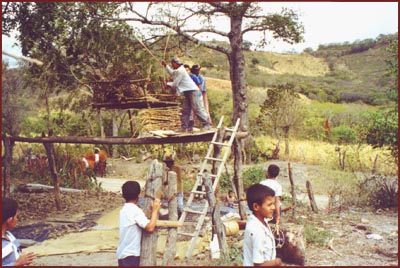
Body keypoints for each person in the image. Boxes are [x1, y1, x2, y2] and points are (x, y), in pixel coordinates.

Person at [116, 181, 161, 266]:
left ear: (123, 195)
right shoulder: (135, 211)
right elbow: (150, 227)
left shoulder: (123, 210)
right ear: (139, 194)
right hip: (131, 255)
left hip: (122, 253)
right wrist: (155, 210)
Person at [161, 56, 211, 132]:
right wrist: (166, 66)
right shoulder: (178, 70)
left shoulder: (180, 71)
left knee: (197, 108)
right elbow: (172, 73)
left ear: (175, 63)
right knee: (185, 110)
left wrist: (170, 87)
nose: (172, 65)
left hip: (193, 91)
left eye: (172, 64)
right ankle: (184, 127)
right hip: (187, 91)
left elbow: (175, 84)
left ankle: (207, 124)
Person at [243, 184, 282, 266]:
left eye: (273, 204)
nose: (273, 207)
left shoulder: (260, 221)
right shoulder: (257, 230)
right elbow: (258, 265)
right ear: (256, 207)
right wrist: (277, 262)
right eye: (269, 204)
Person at [2, 197, 36, 266]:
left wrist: (24, 259)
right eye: (16, 217)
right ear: (9, 220)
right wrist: (17, 263)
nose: (17, 220)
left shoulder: (9, 235)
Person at [260, 164, 282, 232]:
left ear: (267, 172)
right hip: (274, 208)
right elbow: (277, 201)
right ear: (277, 175)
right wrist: (278, 215)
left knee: (263, 226)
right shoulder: (278, 186)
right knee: (276, 228)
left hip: (264, 207)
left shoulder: (262, 183)